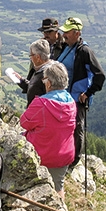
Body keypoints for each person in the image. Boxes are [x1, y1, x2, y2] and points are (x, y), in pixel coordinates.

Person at [19, 62, 76, 199]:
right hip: (64, 155)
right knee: (58, 186)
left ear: (49, 83)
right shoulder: (71, 103)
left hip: (41, 154)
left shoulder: (41, 104)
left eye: (44, 79)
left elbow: (24, 122)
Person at [57, 17, 105, 165]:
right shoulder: (67, 47)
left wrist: (88, 93)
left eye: (67, 32)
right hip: (64, 97)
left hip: (78, 98)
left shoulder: (85, 51)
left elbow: (100, 76)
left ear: (77, 33)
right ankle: (64, 153)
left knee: (77, 127)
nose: (64, 34)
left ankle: (74, 160)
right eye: (63, 31)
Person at [7, 39, 53, 107]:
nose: (31, 58)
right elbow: (36, 87)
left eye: (31, 55)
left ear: (38, 57)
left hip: (39, 112)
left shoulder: (46, 74)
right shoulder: (41, 70)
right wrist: (21, 80)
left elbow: (47, 94)